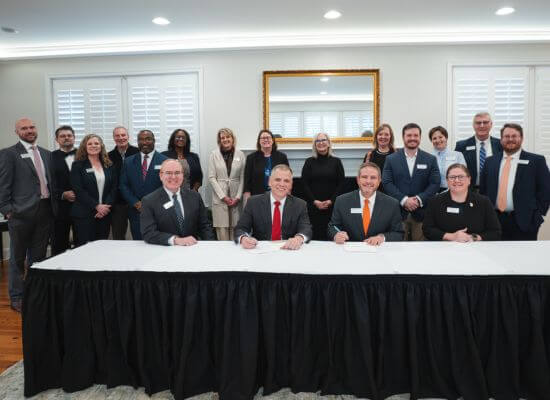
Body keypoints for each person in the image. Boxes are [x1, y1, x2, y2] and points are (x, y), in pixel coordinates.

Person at [0, 118, 57, 313]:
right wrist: (7, 209)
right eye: (24, 128)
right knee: (17, 258)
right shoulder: (9, 154)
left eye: (32, 127)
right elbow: (3, 184)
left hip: (45, 210)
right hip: (20, 213)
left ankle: (34, 293)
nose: (29, 130)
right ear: (17, 132)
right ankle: (17, 297)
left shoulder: (47, 154)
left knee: (38, 256)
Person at [480, 123, 550, 240]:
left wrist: (538, 216)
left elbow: (546, 191)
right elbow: (483, 190)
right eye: (506, 136)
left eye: (514, 136)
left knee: (523, 257)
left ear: (521, 138)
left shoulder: (536, 161)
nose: (510, 139)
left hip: (525, 221)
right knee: (493, 256)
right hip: (494, 221)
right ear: (501, 139)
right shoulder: (490, 162)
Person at [382, 123, 440, 241]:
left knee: (420, 251)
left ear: (420, 137)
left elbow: (435, 183)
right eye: (409, 135)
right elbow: (387, 182)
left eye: (415, 135)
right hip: (398, 213)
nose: (412, 138)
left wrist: (418, 199)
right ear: (403, 137)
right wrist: (404, 200)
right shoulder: (391, 159)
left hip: (422, 214)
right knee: (398, 249)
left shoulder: (430, 159)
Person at [234, 164, 312, 250]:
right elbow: (240, 228)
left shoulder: (300, 204)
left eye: (286, 181)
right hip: (261, 252)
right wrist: (243, 238)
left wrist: (299, 238)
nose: (282, 184)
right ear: (269, 182)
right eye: (277, 180)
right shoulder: (253, 202)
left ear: (291, 185)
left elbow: (306, 229)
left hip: (288, 250)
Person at [141, 159, 215, 245]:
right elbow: (148, 233)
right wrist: (175, 240)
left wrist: (211, 246)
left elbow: (205, 226)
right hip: (164, 251)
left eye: (177, 173)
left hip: (191, 249)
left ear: (182, 175)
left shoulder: (195, 197)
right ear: (161, 175)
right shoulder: (149, 201)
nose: (173, 177)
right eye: (168, 173)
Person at [328, 162, 404, 245]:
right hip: (350, 252)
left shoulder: (392, 204)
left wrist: (382, 237)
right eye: (364, 177)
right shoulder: (341, 201)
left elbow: (398, 233)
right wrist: (336, 235)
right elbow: (332, 227)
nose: (368, 181)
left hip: (379, 253)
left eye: (373, 178)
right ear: (358, 180)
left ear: (379, 181)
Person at [423, 163, 501, 241]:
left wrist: (473, 238)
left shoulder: (483, 202)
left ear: (469, 180)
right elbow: (427, 229)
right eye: (452, 177)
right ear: (447, 181)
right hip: (444, 248)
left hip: (475, 248)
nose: (456, 180)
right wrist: (451, 236)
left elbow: (495, 232)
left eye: (461, 177)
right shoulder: (435, 202)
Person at [119, 129, 167, 240]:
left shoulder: (165, 161)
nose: (144, 142)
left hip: (158, 211)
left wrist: (152, 204)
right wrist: (135, 203)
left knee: (158, 243)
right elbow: (123, 185)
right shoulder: (128, 161)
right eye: (141, 139)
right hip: (136, 212)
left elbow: (168, 186)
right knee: (138, 244)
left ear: (154, 141)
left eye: (148, 139)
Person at [70, 134, 117, 246]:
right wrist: (96, 206)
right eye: (90, 143)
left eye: (96, 143)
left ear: (101, 146)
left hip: (104, 214)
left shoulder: (109, 165)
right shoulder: (77, 165)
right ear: (84, 147)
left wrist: (105, 207)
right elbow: (78, 190)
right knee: (84, 248)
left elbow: (114, 188)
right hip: (84, 214)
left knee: (101, 247)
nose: (93, 146)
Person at [301, 132, 345, 240]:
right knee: (314, 236)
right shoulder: (309, 162)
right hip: (313, 206)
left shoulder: (336, 161)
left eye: (323, 140)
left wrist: (331, 201)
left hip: (332, 207)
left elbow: (342, 184)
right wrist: (314, 201)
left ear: (329, 143)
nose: (321, 143)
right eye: (318, 141)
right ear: (314, 144)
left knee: (331, 235)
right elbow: (304, 184)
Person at [208, 128, 245, 240]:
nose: (225, 139)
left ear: (232, 138)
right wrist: (223, 196)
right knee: (222, 229)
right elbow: (211, 177)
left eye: (228, 137)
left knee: (236, 227)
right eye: (222, 138)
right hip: (220, 197)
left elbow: (243, 177)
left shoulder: (241, 154)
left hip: (236, 196)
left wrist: (238, 197)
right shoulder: (214, 155)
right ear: (219, 141)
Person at [455, 112, 502, 189]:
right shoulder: (461, 146)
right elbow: (456, 170)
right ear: (473, 125)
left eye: (485, 122)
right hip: (469, 191)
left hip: (494, 190)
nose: (482, 125)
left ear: (491, 124)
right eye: (478, 123)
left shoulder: (500, 145)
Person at [108, 126, 139, 240]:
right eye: (117, 135)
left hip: (136, 201)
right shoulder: (108, 156)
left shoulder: (138, 153)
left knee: (140, 235)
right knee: (118, 236)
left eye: (123, 135)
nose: (121, 138)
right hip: (117, 203)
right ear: (113, 138)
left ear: (128, 136)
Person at [51, 125, 77, 254]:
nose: (66, 138)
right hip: (60, 207)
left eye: (69, 135)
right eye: (62, 136)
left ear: (74, 137)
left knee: (82, 242)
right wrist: (62, 194)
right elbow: (46, 183)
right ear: (57, 139)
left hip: (81, 205)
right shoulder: (49, 158)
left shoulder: (84, 156)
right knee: (59, 242)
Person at [243, 129, 289, 200]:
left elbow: (287, 177)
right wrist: (247, 197)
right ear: (259, 141)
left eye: (268, 137)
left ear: (273, 140)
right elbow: (247, 180)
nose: (266, 140)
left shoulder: (282, 157)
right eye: (263, 138)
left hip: (278, 195)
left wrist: (288, 194)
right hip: (257, 196)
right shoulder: (251, 158)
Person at [428, 126, 466, 192]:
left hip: (453, 192)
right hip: (432, 194)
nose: (438, 140)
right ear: (431, 141)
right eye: (434, 138)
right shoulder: (427, 157)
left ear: (446, 138)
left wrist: (448, 192)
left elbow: (463, 176)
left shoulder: (458, 155)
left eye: (440, 137)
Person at [363, 124, 396, 193]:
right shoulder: (369, 155)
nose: (383, 137)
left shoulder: (396, 155)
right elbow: (364, 177)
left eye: (386, 134)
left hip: (392, 195)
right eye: (380, 134)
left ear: (390, 137)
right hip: (374, 193)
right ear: (376, 137)